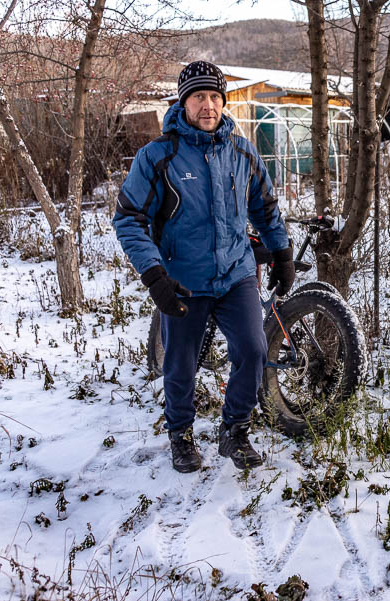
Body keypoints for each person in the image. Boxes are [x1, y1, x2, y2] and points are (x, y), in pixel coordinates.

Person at [113, 61, 295, 473]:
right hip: (183, 280)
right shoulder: (158, 156)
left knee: (252, 349)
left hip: (235, 274)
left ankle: (235, 430)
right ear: (184, 102)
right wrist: (154, 274)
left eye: (215, 96)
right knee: (180, 363)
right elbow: (128, 219)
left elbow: (265, 208)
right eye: (199, 96)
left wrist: (280, 252)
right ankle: (181, 435)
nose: (208, 105)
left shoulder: (241, 150)